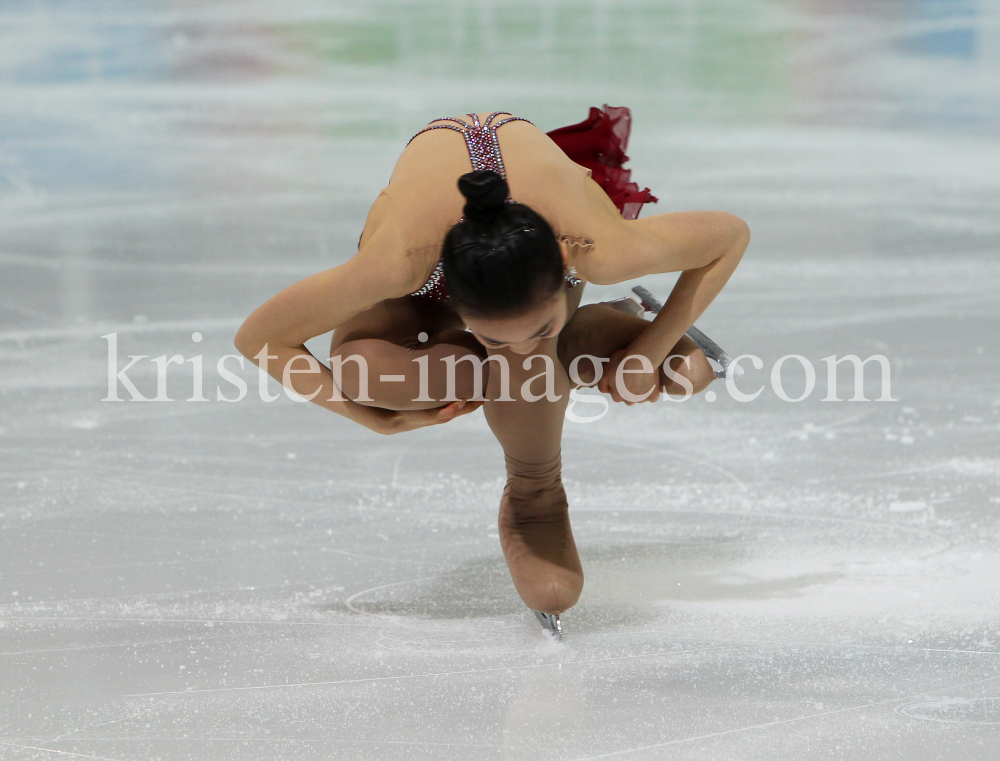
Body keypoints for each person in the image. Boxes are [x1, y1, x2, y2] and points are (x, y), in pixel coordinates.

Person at [235, 107, 749, 630]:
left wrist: (650, 351)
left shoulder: (596, 248)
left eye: (543, 328)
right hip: (426, 270)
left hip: (535, 243)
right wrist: (365, 414)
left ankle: (535, 491)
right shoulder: (396, 262)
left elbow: (729, 236)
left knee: (666, 371)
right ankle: (578, 344)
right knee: (371, 378)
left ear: (567, 271)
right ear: (460, 307)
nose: (522, 346)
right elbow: (261, 339)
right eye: (490, 336)